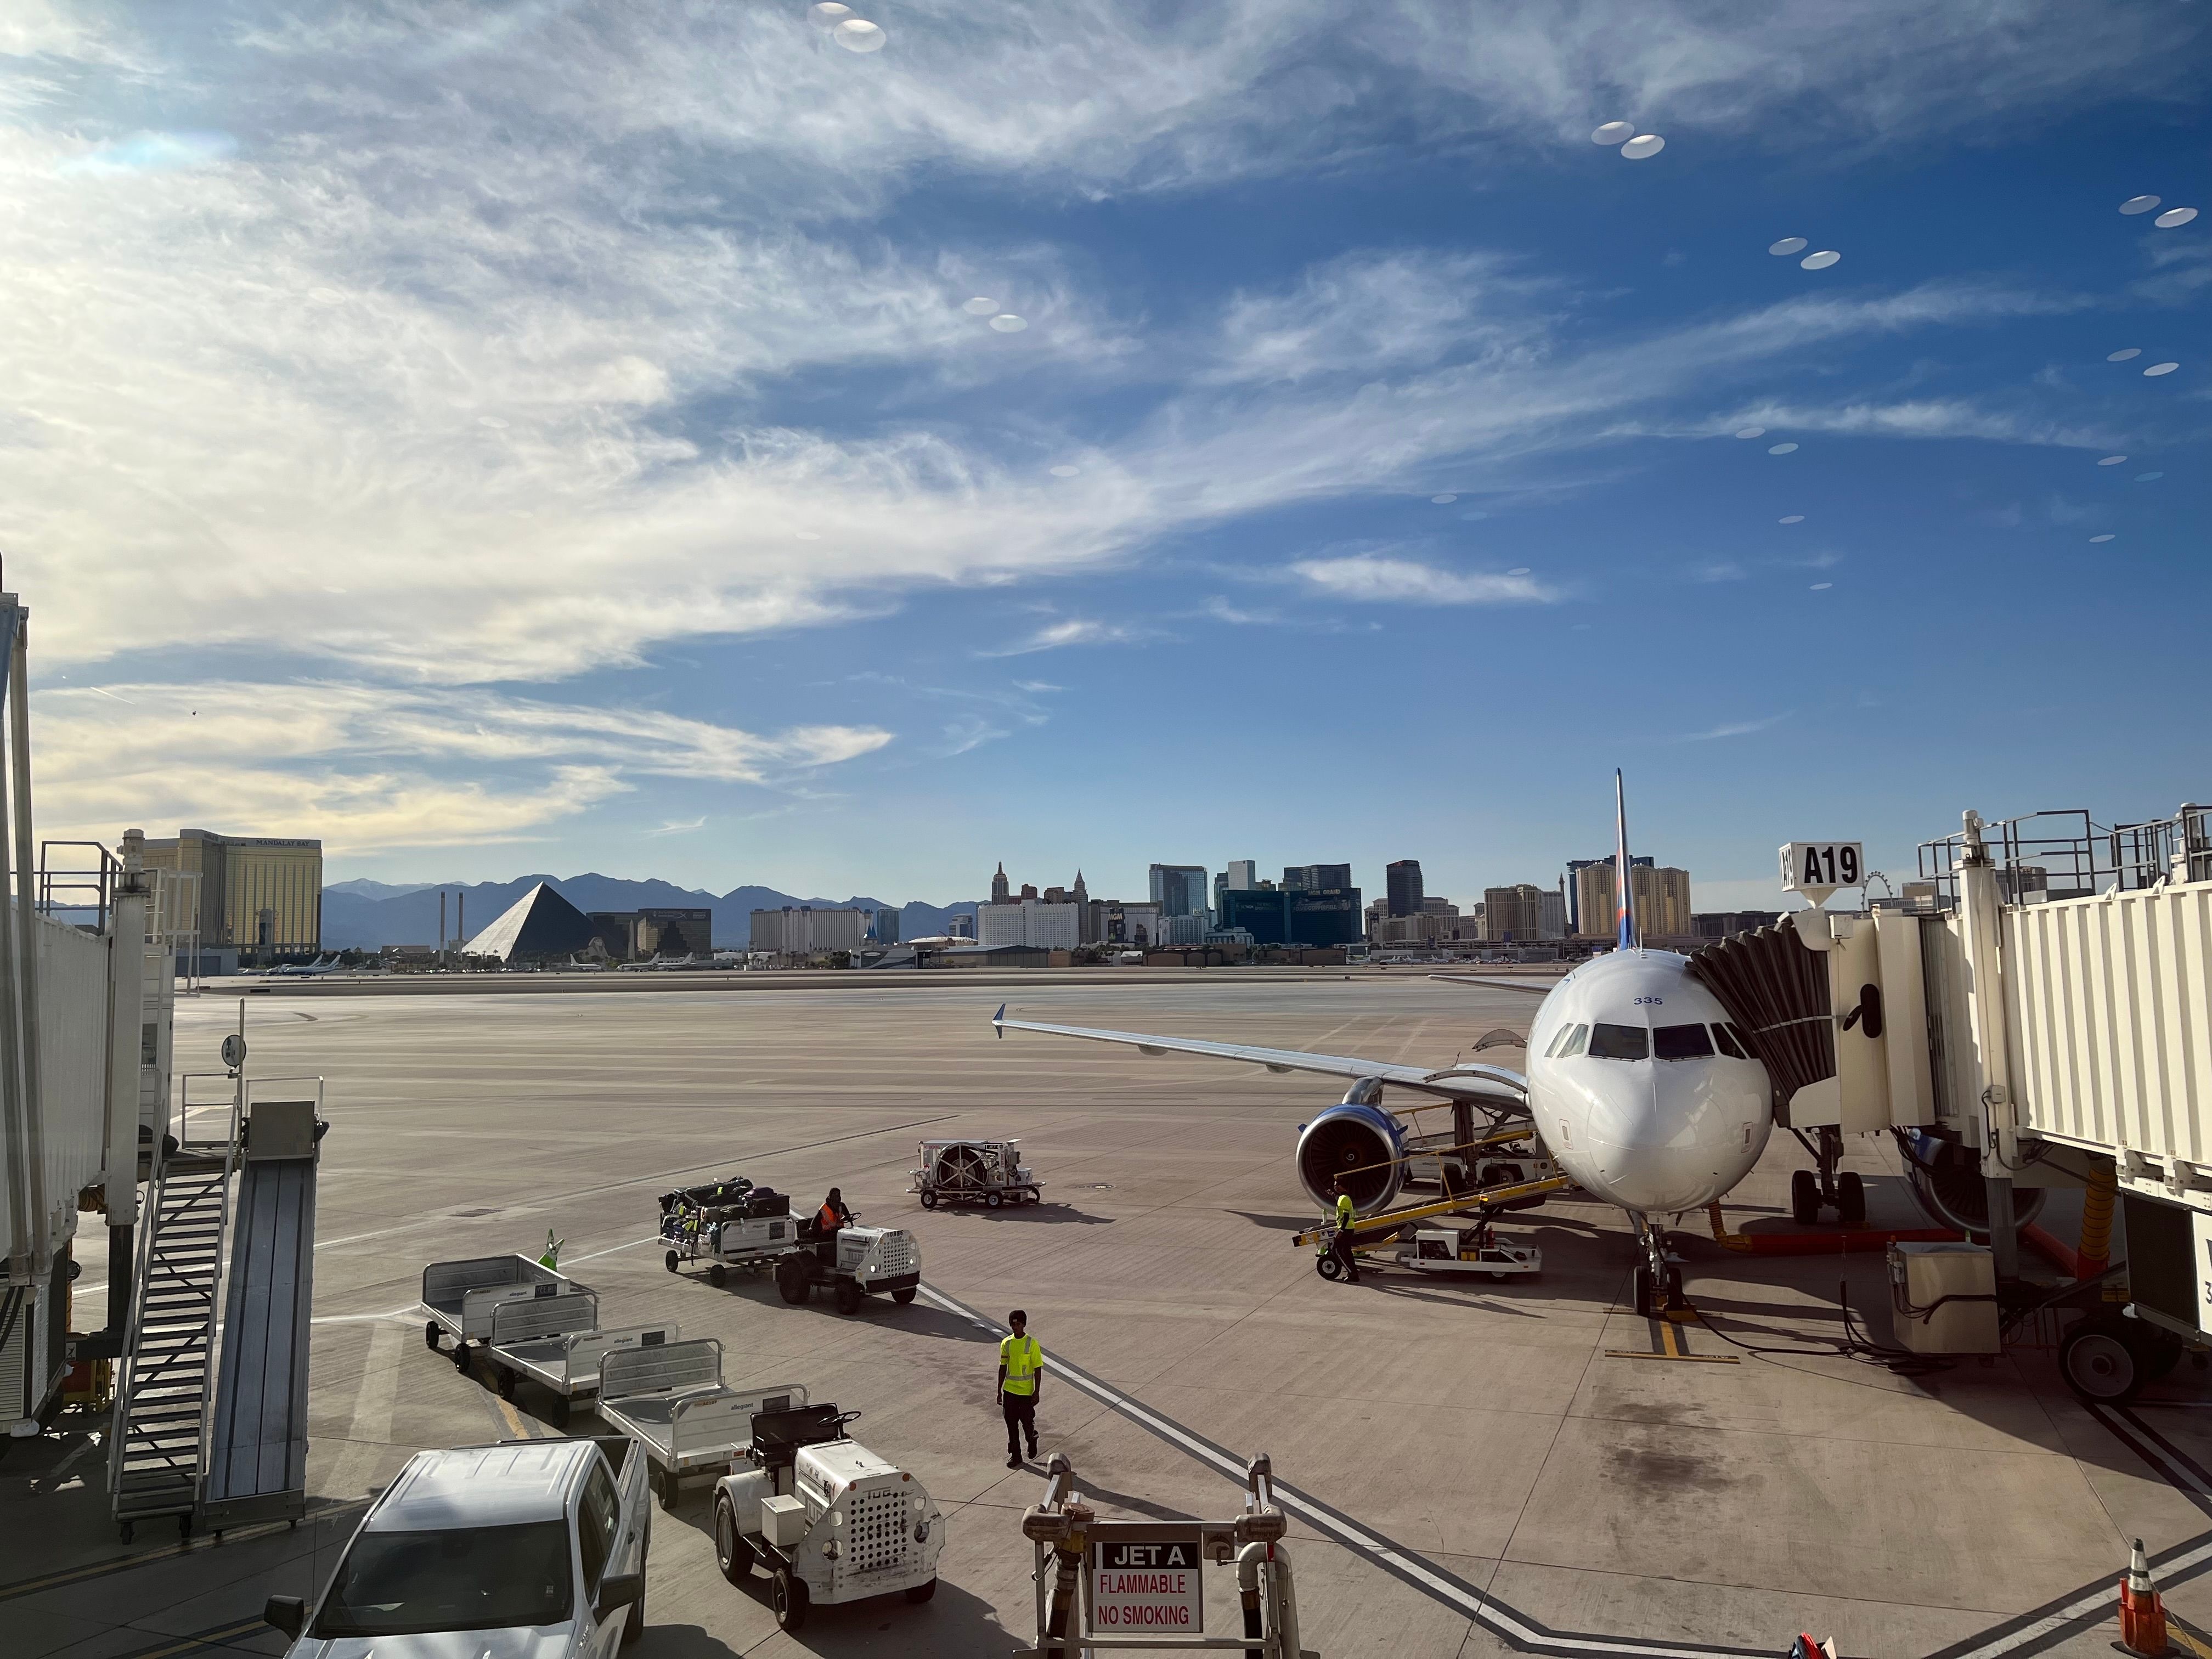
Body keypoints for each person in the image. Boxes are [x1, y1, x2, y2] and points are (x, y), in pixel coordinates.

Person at [997, 1309, 1043, 1469]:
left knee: (1026, 1424)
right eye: (1013, 1324)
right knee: (1011, 1424)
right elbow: (1003, 1367)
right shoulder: (1006, 1343)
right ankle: (1016, 1456)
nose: (1015, 1327)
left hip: (1025, 1393)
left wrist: (1036, 1392)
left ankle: (1032, 1438)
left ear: (1024, 1325)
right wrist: (999, 1390)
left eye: (1018, 1324)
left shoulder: (1032, 1343)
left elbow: (1038, 1369)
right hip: (1010, 1391)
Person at [1329, 1179, 1361, 1284]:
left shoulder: (1344, 1199)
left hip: (1345, 1229)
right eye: (1335, 1185)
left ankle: (1351, 1273)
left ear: (1343, 1187)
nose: (1336, 1187)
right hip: (1349, 1228)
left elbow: (1346, 1217)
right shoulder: (1344, 1198)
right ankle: (1354, 1274)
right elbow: (1338, 1198)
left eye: (1337, 1185)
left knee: (1335, 1250)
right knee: (1347, 1252)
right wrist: (1332, 1194)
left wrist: (1341, 1231)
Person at [814, 1188, 851, 1265]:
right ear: (830, 1196)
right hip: (827, 1232)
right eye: (835, 1195)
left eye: (838, 1195)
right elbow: (816, 1220)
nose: (837, 1197)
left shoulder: (842, 1206)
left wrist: (850, 1219)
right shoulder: (824, 1208)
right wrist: (811, 1228)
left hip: (840, 1230)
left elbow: (848, 1216)